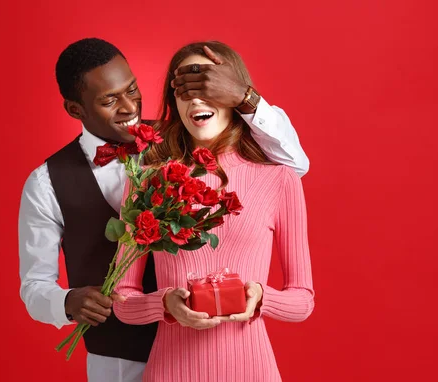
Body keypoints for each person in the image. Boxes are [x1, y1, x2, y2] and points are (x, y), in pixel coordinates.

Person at [18, 38, 310, 382]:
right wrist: (66, 302)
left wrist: (245, 96)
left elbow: (291, 164)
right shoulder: (46, 182)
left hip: (225, 355)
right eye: (110, 100)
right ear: (75, 109)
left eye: (132, 90)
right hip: (119, 358)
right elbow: (35, 283)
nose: (129, 108)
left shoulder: (182, 137)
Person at [113, 41, 315, 382]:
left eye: (207, 86)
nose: (195, 100)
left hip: (253, 371)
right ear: (173, 103)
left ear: (232, 94)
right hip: (170, 372)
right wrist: (165, 304)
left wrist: (260, 297)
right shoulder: (148, 180)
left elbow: (303, 300)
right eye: (183, 91)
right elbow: (122, 298)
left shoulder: (279, 179)